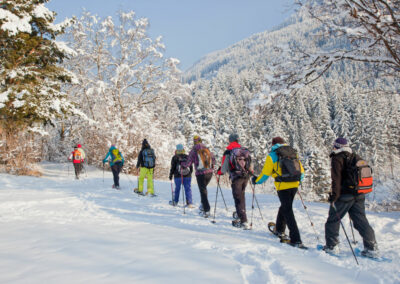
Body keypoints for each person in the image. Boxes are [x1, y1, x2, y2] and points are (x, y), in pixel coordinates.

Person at [323, 137, 378, 257]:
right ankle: (372, 248)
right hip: (359, 194)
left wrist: (334, 196)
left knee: (333, 220)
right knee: (361, 221)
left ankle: (332, 247)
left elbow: (336, 180)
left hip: (344, 195)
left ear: (337, 146)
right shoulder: (355, 157)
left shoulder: (337, 158)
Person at [252, 137, 305, 248]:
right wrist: (298, 181)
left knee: (287, 210)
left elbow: (265, 174)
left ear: (273, 144)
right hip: (294, 184)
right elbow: (301, 170)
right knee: (285, 206)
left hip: (283, 186)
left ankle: (296, 239)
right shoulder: (292, 152)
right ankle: (279, 229)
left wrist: (256, 181)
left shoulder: (273, 155)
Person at [218, 133, 251, 229]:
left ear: (230, 140)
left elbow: (223, 169)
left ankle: (243, 221)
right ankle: (240, 213)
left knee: (238, 198)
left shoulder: (228, 151)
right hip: (245, 176)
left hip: (236, 177)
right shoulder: (244, 150)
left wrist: (219, 172)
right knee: (241, 196)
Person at [181, 135, 215, 217]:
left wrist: (182, 164)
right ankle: (203, 205)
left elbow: (188, 163)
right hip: (209, 173)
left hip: (200, 174)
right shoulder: (207, 148)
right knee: (204, 190)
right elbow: (213, 159)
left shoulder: (194, 150)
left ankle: (206, 210)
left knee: (203, 192)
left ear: (194, 142)